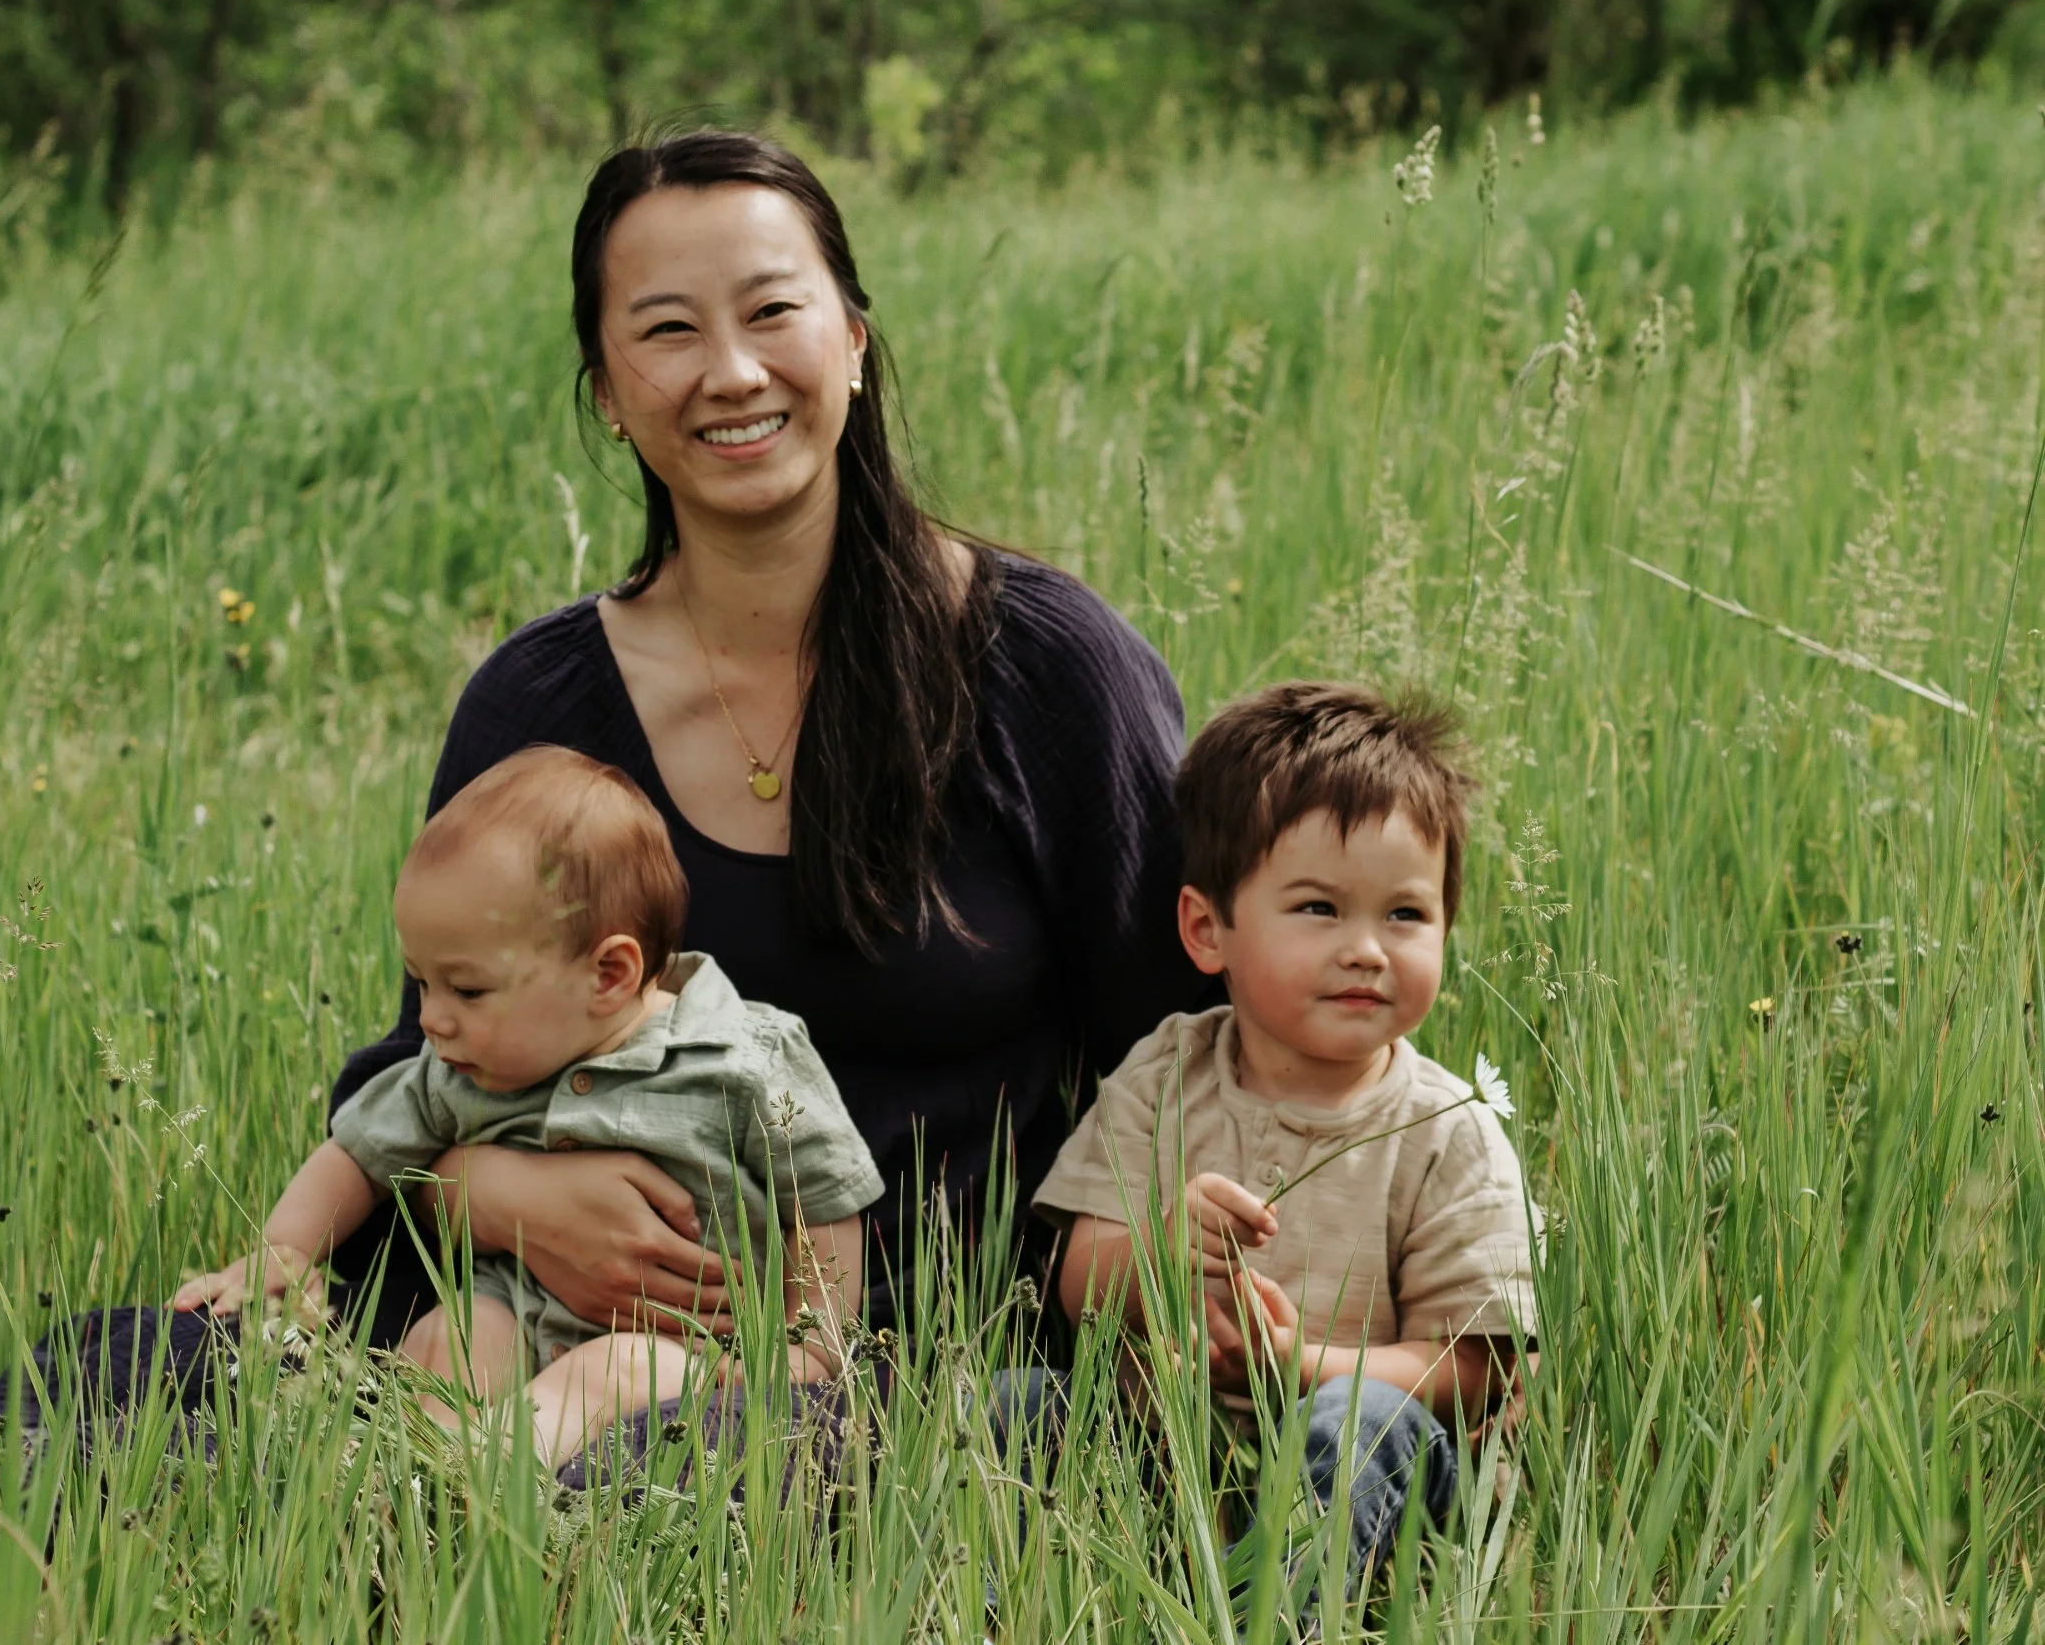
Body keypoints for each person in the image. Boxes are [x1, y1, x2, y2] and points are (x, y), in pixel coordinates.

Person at [321, 129, 1205, 1368]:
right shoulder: (538, 701)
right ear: (608, 396)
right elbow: (434, 1056)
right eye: (669, 331)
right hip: (561, 1335)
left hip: (958, 1378)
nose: (731, 372)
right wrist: (493, 1194)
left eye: (772, 310)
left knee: (653, 1467)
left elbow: (1201, 1042)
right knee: (111, 1380)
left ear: (852, 338)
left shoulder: (1046, 669)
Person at [171, 747, 881, 1465]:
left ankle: (484, 1479)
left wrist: (813, 1347)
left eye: (467, 990)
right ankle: (410, 1495)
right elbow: (357, 1151)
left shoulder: (741, 1059)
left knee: (604, 1376)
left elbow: (823, 1194)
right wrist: (286, 1248)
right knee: (445, 1342)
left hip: (693, 1345)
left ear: (609, 973)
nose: (432, 1019)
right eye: (422, 983)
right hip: (519, 1310)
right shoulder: (463, 1070)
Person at [1034, 682, 1537, 1587]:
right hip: (1167, 1447)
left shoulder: (1445, 1129)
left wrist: (1303, 1366)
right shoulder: (1166, 1073)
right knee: (1027, 1403)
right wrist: (1156, 1248)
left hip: (1369, 1472)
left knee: (1355, 1424)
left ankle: (1267, 1604)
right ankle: (1001, 1591)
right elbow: (1077, 1287)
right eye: (1318, 908)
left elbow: (1475, 1365)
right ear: (1206, 928)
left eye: (1406, 914)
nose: (1367, 949)